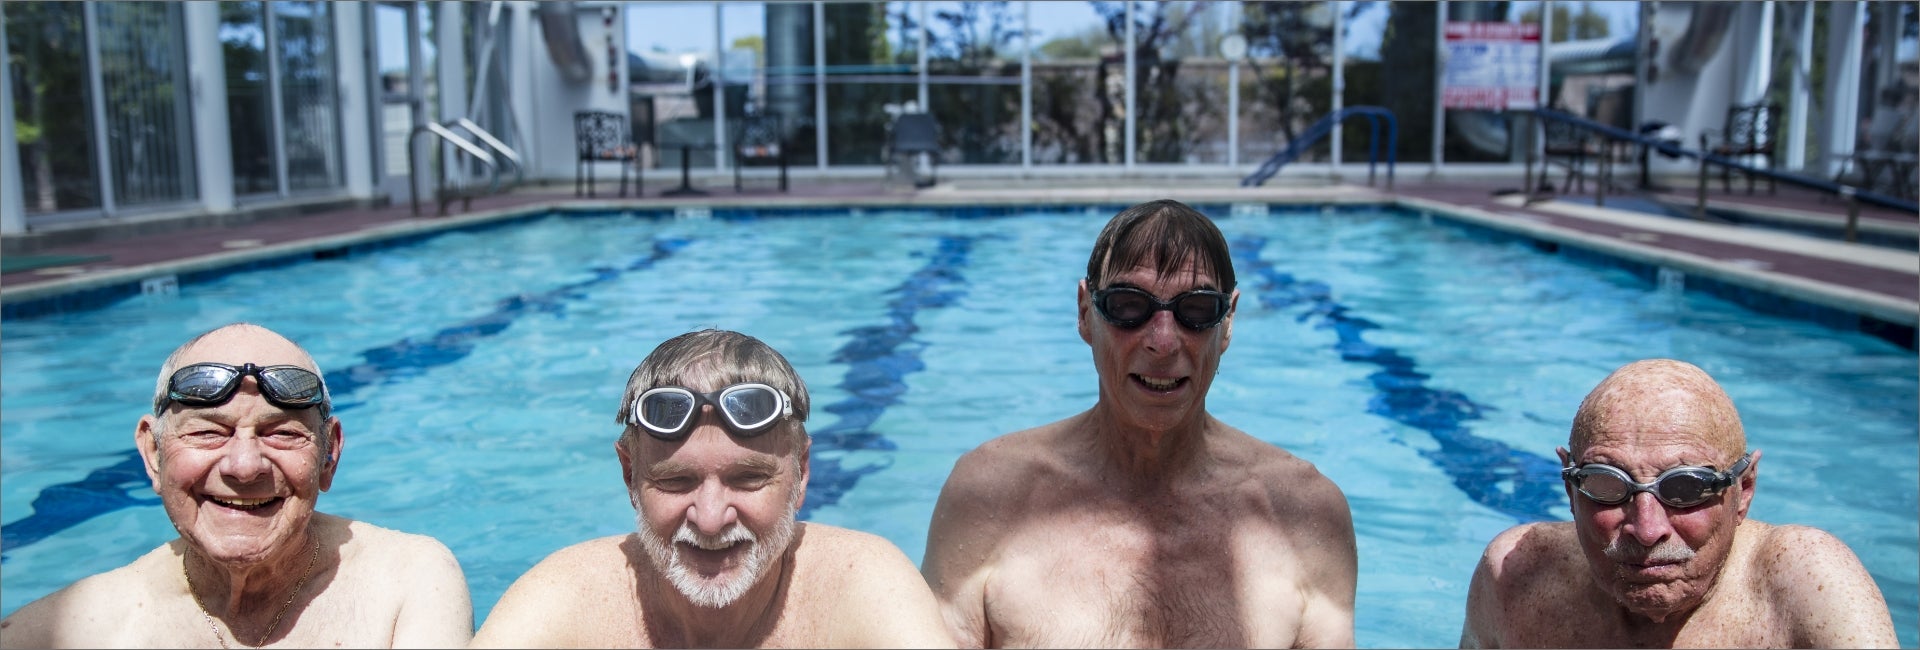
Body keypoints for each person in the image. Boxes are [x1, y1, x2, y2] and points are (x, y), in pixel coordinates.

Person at [921, 199, 1358, 648]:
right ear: (1084, 312)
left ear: (1227, 324)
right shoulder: (989, 496)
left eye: (1197, 309)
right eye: (1128, 306)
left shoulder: (1306, 516)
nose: (1163, 341)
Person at [470, 329, 954, 648]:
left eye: (747, 479)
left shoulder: (863, 587)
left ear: (802, 473)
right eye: (676, 481)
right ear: (629, 478)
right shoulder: (565, 600)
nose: (710, 517)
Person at [0, 323, 473, 648]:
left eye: (281, 433)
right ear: (152, 453)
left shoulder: (407, 580)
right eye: (208, 432)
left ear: (329, 453)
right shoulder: (77, 628)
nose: (244, 467)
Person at [1460, 359, 1898, 648]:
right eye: (1608, 485)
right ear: (1570, 491)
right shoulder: (1515, 577)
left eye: (1686, 488)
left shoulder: (1806, 585)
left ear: (1743, 490)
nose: (1647, 529)